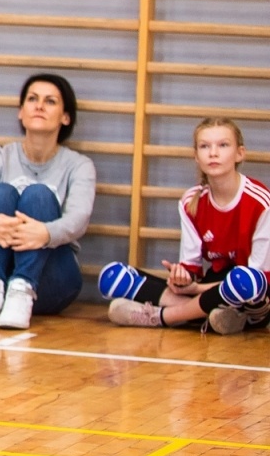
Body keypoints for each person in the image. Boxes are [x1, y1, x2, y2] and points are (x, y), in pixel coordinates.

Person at [100, 117, 269, 334]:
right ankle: (216, 316)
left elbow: (262, 275)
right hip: (215, 285)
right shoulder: (191, 201)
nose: (213, 153)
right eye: (204, 146)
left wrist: (197, 289)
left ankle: (163, 316)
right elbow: (192, 269)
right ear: (196, 157)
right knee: (113, 276)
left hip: (256, 291)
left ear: (240, 153)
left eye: (223, 145)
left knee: (245, 281)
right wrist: (181, 277)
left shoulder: (260, 201)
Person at [0, 73, 95, 330]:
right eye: (32, 99)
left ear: (66, 117)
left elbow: (79, 219)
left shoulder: (79, 165)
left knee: (39, 195)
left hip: (49, 284)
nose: (40, 106)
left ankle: (22, 288)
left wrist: (44, 232)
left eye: (50, 101)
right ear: (21, 112)